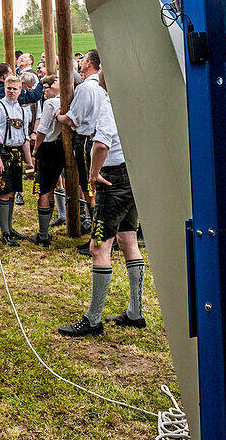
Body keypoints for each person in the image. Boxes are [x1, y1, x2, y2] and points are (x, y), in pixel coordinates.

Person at [58, 88, 145, 337]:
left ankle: (93, 319)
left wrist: (93, 173)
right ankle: (135, 312)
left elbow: (101, 144)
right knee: (128, 239)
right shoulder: (134, 98)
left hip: (113, 179)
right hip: (133, 173)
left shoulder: (111, 102)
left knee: (99, 246)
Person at [57, 49, 107, 244]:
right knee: (93, 187)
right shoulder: (102, 86)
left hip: (87, 139)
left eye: (83, 60)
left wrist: (58, 116)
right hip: (99, 139)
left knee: (89, 188)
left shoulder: (86, 88)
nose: (81, 63)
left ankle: (97, 236)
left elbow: (72, 119)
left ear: (88, 64)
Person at [0, 74, 34, 247]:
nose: (12, 91)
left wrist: (29, 161)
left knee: (13, 190)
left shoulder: (23, 110)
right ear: (4, 88)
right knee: (3, 192)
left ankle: (10, 227)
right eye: (9, 88)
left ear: (20, 89)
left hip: (17, 154)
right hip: (3, 152)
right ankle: (4, 232)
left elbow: (25, 138)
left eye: (15, 89)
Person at [31, 76, 65, 246]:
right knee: (52, 185)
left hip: (48, 146)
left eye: (47, 87)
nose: (44, 91)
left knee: (44, 189)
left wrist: (36, 148)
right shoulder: (68, 101)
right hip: (61, 147)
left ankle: (43, 234)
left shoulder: (51, 104)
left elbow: (42, 130)